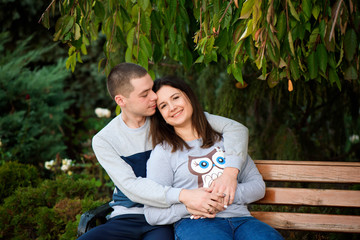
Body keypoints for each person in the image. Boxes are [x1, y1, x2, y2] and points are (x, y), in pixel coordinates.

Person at [78, 63, 250, 240]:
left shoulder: (168, 115)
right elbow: (131, 186)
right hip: (127, 215)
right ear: (121, 100)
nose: (154, 97)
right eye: (145, 94)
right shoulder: (104, 139)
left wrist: (230, 172)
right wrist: (184, 195)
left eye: (152, 89)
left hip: (167, 215)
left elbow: (235, 129)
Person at [143, 76, 284, 240]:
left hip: (242, 220)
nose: (172, 107)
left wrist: (222, 196)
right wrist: (190, 206)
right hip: (196, 223)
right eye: (164, 106)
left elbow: (258, 187)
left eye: (176, 97)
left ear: (189, 96)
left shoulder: (226, 141)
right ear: (161, 116)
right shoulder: (163, 153)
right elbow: (152, 214)